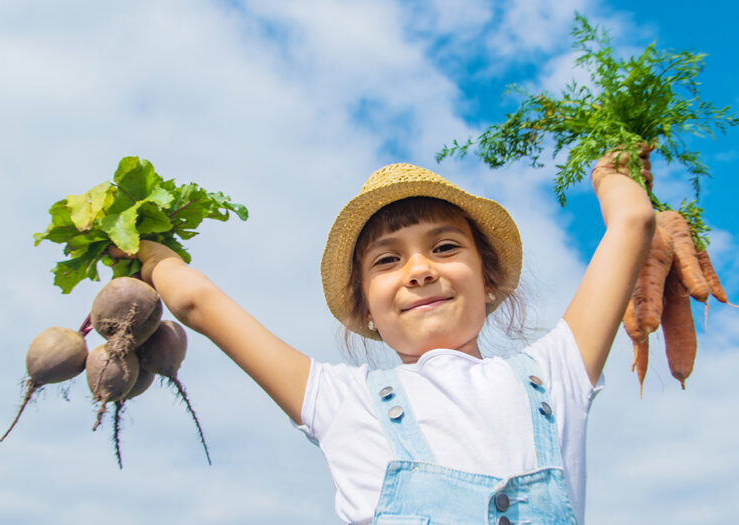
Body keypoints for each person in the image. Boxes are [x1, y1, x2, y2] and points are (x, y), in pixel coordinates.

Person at [126, 149, 655, 524]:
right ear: (367, 310)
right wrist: (143, 251)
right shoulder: (341, 399)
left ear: (488, 279)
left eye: (445, 247)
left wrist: (612, 168)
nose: (420, 270)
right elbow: (199, 303)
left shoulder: (554, 371)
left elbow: (632, 222)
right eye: (388, 260)